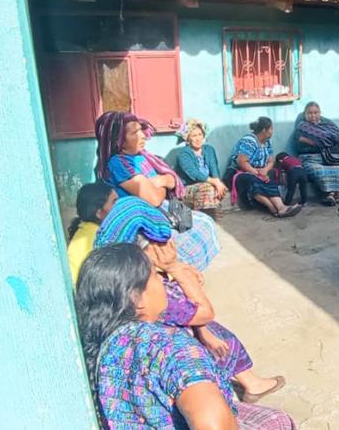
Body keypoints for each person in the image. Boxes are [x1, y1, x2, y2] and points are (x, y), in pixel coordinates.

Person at [75, 244, 294, 429]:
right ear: (137, 299)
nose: (163, 281)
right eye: (155, 275)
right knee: (279, 421)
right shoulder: (171, 348)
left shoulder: (105, 344)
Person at [93, 197, 288, 402]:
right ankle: (249, 385)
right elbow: (203, 312)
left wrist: (179, 270)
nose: (169, 243)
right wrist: (175, 268)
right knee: (220, 338)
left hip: (158, 339)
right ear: (148, 251)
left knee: (207, 329)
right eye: (161, 242)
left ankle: (245, 380)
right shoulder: (148, 291)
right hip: (167, 354)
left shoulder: (117, 274)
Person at [94, 111, 220, 271]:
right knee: (182, 245)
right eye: (134, 132)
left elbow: (172, 180)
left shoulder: (143, 156)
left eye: (141, 130)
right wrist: (163, 182)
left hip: (161, 210)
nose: (143, 136)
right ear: (119, 140)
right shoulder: (118, 163)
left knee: (206, 223)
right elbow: (154, 199)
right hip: (143, 220)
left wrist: (160, 182)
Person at [225, 117, 301, 218]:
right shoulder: (249, 141)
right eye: (271, 129)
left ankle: (281, 207)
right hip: (239, 172)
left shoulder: (267, 142)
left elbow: (271, 160)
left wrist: (265, 170)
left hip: (258, 172)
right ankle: (272, 208)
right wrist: (256, 173)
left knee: (269, 180)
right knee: (254, 181)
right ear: (264, 130)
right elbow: (241, 162)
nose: (272, 131)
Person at [293, 102, 339, 206]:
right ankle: (330, 194)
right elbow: (301, 140)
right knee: (320, 171)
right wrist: (322, 142)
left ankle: (332, 194)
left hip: (331, 158)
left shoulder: (328, 124)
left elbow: (337, 137)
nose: (313, 116)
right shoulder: (302, 126)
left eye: (316, 113)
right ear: (305, 114)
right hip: (311, 159)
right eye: (310, 113)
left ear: (320, 113)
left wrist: (321, 141)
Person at [66, 183, 118, 285]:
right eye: (114, 202)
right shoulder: (99, 237)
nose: (119, 206)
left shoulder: (86, 230)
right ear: (99, 213)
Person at [175, 119, 228, 214]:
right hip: (188, 187)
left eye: (200, 134)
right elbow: (194, 174)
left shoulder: (209, 149)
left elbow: (214, 168)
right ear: (188, 138)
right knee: (207, 188)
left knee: (220, 187)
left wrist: (218, 182)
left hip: (207, 183)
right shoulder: (183, 154)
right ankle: (205, 215)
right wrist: (214, 182)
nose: (198, 139)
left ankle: (212, 212)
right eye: (194, 136)